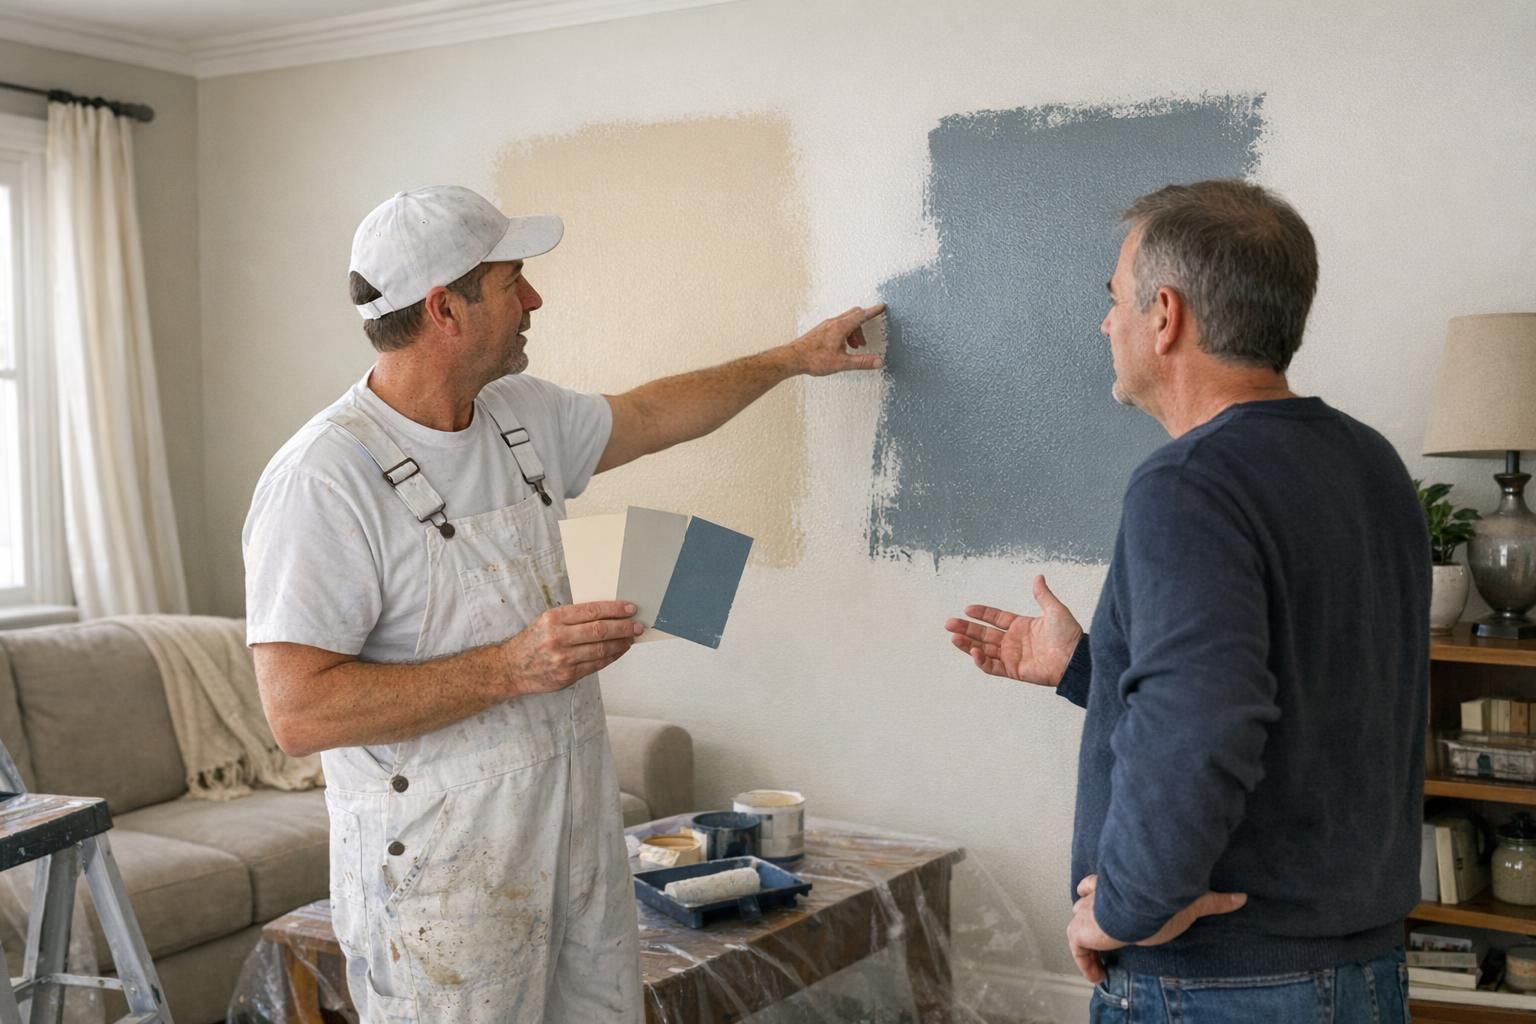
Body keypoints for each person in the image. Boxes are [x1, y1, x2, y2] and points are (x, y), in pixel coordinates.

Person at [242, 184, 883, 1023]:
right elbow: (298, 713)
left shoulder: (517, 415)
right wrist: (513, 666)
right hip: (444, 874)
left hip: (573, 833)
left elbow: (652, 413)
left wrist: (792, 358)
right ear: (446, 309)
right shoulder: (323, 479)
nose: (534, 300)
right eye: (514, 283)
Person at [945, 180, 1427, 1022]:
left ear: (1163, 315)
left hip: (1225, 988)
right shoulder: (1371, 463)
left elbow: (1205, 725)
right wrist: (1086, 668)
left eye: (1113, 300)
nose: (1106, 325)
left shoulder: (1188, 482)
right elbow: (1308, 696)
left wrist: (1125, 907)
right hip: (1362, 973)